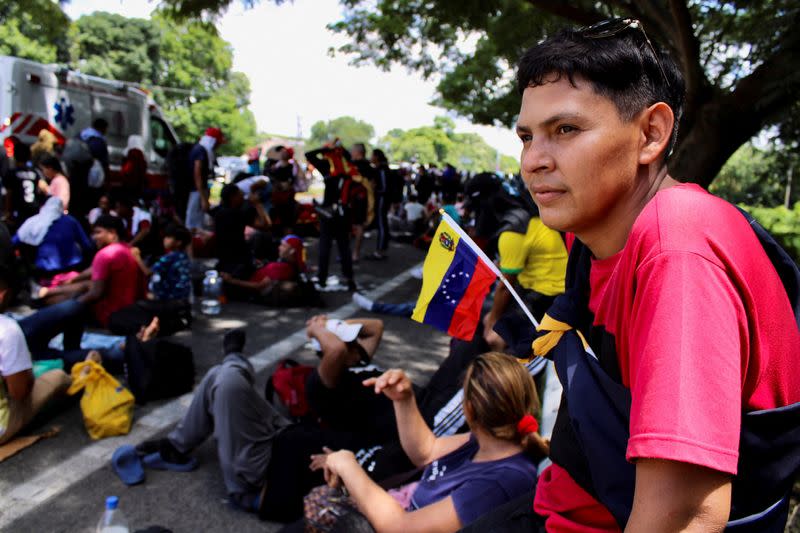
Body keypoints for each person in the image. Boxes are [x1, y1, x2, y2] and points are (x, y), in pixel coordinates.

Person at [465, 18, 800, 532]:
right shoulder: (596, 231)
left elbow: (684, 516)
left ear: (651, 133)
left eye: (566, 130)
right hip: (566, 496)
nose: (532, 160)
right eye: (526, 136)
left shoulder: (678, 247)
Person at [303, 352, 546, 532]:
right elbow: (425, 451)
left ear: (469, 411)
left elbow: (399, 527)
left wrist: (348, 465)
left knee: (319, 502)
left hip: (396, 521)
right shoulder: (489, 441)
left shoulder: (500, 482)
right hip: (397, 507)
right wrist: (404, 399)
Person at [135, 329, 291, 513]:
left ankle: (234, 359)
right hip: (292, 439)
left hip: (259, 479)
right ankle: (176, 446)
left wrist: (323, 334)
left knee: (228, 381)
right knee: (219, 375)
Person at [0, 265, 71, 445]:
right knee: (58, 376)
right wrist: (27, 375)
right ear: (3, 295)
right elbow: (20, 393)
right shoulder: (7, 330)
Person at [38, 215, 144, 334]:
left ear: (112, 233)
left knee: (59, 300)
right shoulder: (128, 249)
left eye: (98, 233)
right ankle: (47, 292)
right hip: (130, 311)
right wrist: (72, 281)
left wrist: (72, 306)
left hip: (109, 316)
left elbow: (95, 292)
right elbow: (93, 273)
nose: (94, 237)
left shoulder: (105, 255)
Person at [305, 141, 357, 291]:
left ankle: (322, 279)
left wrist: (325, 148)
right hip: (343, 214)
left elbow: (309, 155)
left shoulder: (327, 168)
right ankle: (349, 279)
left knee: (325, 246)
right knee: (343, 247)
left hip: (329, 214)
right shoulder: (350, 169)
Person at [12, 197, 93, 284]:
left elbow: (14, 241)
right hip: (70, 272)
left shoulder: (33, 222)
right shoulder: (71, 221)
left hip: (46, 273)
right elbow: (87, 245)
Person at [220, 234, 307, 303]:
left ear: (292, 251)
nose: (279, 248)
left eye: (283, 246)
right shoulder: (287, 264)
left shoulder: (283, 268)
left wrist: (232, 280)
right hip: (250, 274)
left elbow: (259, 285)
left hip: (245, 287)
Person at [212, 184, 271, 281]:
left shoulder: (218, 212)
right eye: (240, 195)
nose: (243, 197)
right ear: (233, 197)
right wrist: (257, 204)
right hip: (239, 260)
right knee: (261, 236)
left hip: (223, 259)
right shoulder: (239, 213)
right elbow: (266, 225)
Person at [186, 127, 225, 230]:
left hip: (198, 191)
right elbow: (197, 174)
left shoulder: (201, 149)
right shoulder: (201, 150)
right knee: (194, 223)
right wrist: (203, 198)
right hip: (197, 191)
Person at [2, 141, 44, 229]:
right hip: (34, 209)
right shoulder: (35, 172)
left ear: (14, 156)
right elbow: (40, 189)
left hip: (19, 210)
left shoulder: (12, 173)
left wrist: (7, 212)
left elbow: (8, 194)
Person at [367, 148, 392, 260]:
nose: (370, 157)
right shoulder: (380, 169)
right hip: (381, 200)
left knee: (382, 224)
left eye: (372, 155)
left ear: (376, 157)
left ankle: (380, 250)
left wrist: (374, 189)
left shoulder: (382, 169)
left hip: (382, 200)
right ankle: (380, 249)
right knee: (382, 224)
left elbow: (384, 188)